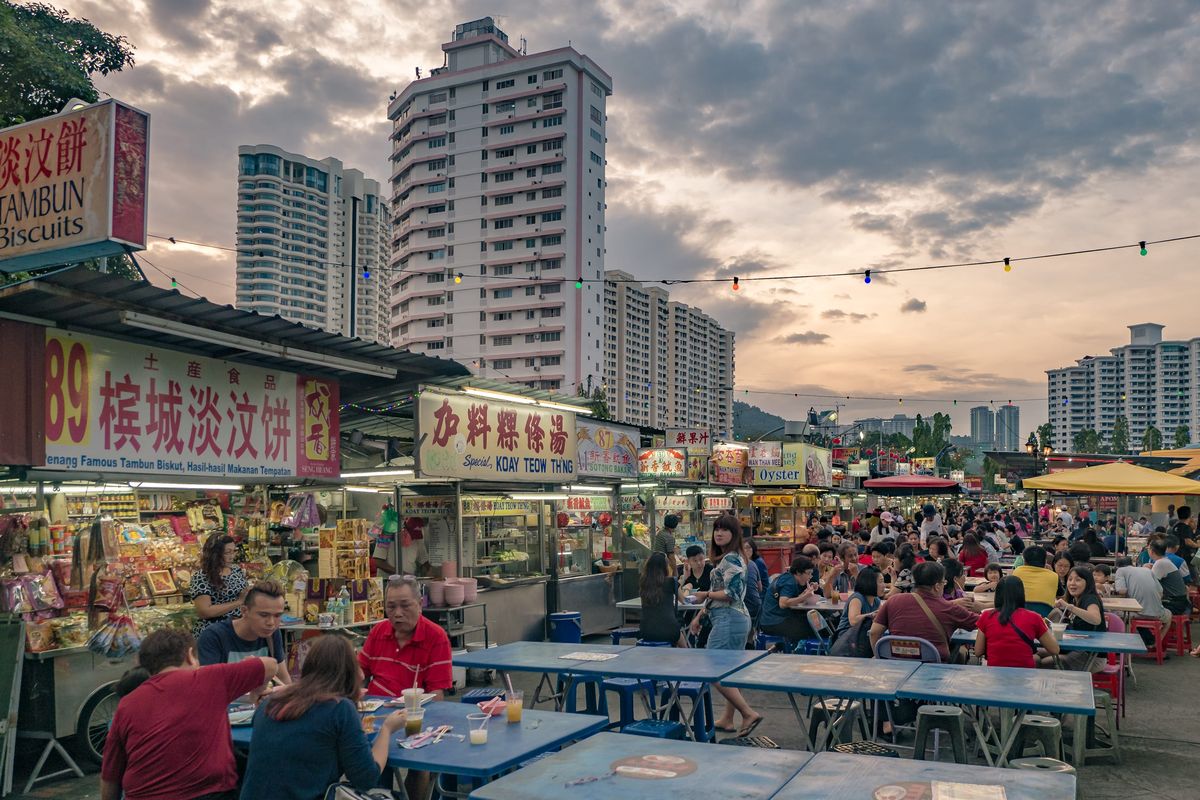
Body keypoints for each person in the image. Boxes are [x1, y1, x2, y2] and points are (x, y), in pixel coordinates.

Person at [101, 629, 276, 800]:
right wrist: (258, 688)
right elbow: (270, 665)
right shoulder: (211, 678)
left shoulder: (127, 704)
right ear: (190, 655)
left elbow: (110, 777)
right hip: (209, 793)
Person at [240, 636, 407, 800]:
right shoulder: (339, 709)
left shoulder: (269, 702)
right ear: (347, 671)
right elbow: (366, 778)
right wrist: (387, 729)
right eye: (356, 665)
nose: (362, 675)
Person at [688, 515, 762, 736]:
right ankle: (728, 719)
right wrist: (701, 614)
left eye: (724, 530)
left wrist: (704, 595)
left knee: (713, 667)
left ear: (735, 534)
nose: (718, 533)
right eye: (716, 529)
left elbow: (731, 594)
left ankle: (747, 713)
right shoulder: (730, 558)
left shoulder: (732, 559)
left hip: (729, 619)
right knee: (729, 671)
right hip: (731, 618)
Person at [359, 575, 452, 698]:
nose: (398, 613)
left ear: (419, 605)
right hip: (373, 707)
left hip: (412, 710)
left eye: (405, 606)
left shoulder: (436, 637)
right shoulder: (378, 631)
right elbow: (359, 673)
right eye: (391, 607)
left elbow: (437, 692)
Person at [870, 561, 980, 663]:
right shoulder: (948, 608)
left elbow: (874, 632)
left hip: (897, 663)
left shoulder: (893, 600)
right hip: (935, 666)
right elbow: (980, 623)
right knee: (958, 649)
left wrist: (879, 659)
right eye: (943, 582)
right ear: (937, 586)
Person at [197, 580, 292, 689]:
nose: (271, 622)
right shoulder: (214, 636)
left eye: (277, 616)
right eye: (264, 615)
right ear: (244, 611)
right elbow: (207, 686)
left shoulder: (272, 634)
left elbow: (284, 679)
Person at [976, 577, 1060, 669]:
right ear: (1021, 594)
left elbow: (978, 651)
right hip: (1025, 675)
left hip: (995, 675)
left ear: (997, 595)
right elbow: (1054, 649)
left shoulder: (986, 616)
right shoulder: (1034, 617)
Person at [1044, 566, 1107, 670]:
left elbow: (1096, 619)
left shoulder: (1090, 598)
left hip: (1091, 657)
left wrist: (1069, 607)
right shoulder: (1075, 599)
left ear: (1088, 583)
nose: (1072, 583)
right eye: (1070, 579)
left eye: (1078, 580)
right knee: (1036, 654)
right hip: (1076, 650)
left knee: (1042, 663)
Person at [189, 534, 249, 636]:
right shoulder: (202, 576)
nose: (232, 556)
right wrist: (238, 602)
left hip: (237, 628)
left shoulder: (236, 570)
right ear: (215, 554)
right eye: (227, 552)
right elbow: (204, 611)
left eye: (234, 551)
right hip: (213, 632)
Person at [759, 556, 820, 648]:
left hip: (774, 619)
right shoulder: (789, 582)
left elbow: (791, 600)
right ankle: (802, 650)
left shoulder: (788, 578)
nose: (810, 577)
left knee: (814, 622)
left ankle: (798, 648)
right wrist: (805, 596)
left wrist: (805, 593)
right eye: (808, 573)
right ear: (798, 572)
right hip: (774, 621)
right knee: (814, 627)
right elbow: (783, 603)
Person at [1113, 557, 1171, 646]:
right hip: (1158, 614)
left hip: (1137, 614)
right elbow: (1160, 592)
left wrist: (1115, 586)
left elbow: (1122, 591)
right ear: (1132, 564)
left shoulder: (1120, 571)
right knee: (1169, 615)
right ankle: (1156, 643)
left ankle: (1123, 645)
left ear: (1117, 566)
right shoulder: (1147, 570)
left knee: (1114, 614)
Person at [638, 552, 685, 646]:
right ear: (665, 567)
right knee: (684, 647)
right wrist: (686, 585)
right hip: (669, 629)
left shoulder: (644, 582)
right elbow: (683, 600)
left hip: (646, 630)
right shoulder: (671, 581)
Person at [835, 566, 883, 639]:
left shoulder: (876, 600)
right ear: (870, 583)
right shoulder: (857, 598)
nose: (884, 585)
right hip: (846, 640)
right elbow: (853, 621)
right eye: (881, 581)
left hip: (862, 637)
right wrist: (870, 615)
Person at [1147, 540, 1190, 615]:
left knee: (1143, 607)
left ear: (1152, 551)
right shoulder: (1164, 561)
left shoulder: (1160, 563)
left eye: (1148, 548)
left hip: (1174, 604)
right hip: (1179, 601)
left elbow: (1150, 584)